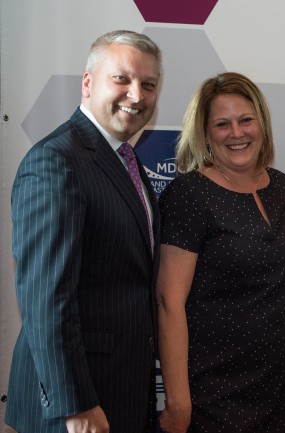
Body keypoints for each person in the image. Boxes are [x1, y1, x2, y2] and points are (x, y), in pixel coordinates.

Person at [6, 30, 162, 433]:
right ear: (88, 82)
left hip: (119, 389)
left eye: (148, 85)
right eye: (122, 79)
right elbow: (45, 297)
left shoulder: (126, 160)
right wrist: (74, 403)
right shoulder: (57, 161)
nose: (137, 95)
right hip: (76, 405)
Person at [156, 72, 285, 433]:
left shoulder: (281, 188)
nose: (237, 133)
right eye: (222, 124)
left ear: (261, 124)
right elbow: (168, 301)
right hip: (211, 389)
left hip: (274, 384)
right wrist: (178, 402)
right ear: (205, 135)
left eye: (245, 120)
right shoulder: (189, 195)